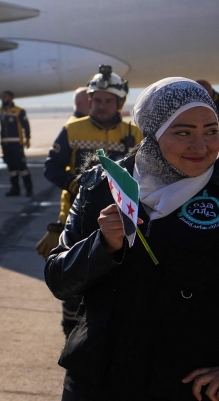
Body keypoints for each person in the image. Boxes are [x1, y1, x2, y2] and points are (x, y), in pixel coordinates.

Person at [45, 78, 219, 401]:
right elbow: (59, 279)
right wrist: (103, 245)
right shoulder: (101, 186)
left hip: (187, 386)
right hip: (98, 383)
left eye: (211, 131)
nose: (202, 147)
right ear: (153, 132)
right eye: (183, 132)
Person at [41, 67, 143, 337]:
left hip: (123, 226)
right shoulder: (72, 129)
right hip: (77, 222)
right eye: (96, 100)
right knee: (73, 299)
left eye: (108, 100)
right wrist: (76, 185)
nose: (101, 105)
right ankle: (73, 348)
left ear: (120, 103)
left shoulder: (136, 134)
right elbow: (51, 168)